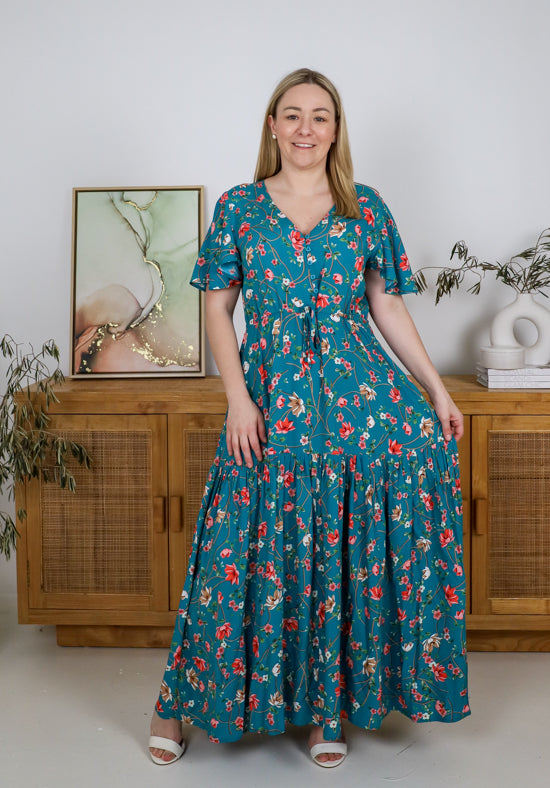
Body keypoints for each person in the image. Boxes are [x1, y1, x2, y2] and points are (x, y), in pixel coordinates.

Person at [148, 67, 470, 768]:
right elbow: (215, 306)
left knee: (339, 554)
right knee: (232, 553)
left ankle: (332, 709)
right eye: (291, 115)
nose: (304, 128)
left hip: (358, 406)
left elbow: (387, 306)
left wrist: (437, 390)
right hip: (268, 406)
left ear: (335, 128)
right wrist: (238, 397)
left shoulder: (366, 206)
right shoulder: (239, 207)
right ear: (272, 125)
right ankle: (177, 702)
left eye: (319, 116)